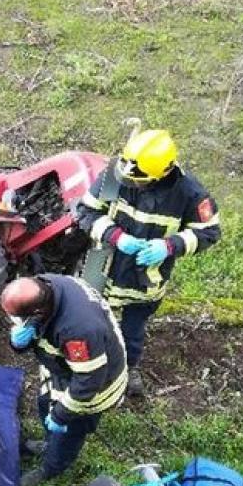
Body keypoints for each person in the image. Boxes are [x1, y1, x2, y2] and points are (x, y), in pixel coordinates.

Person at [76, 129, 221, 397]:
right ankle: (82, 366)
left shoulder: (190, 194)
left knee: (132, 330)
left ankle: (126, 370)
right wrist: (115, 236)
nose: (130, 183)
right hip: (101, 269)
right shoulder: (116, 174)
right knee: (88, 320)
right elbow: (85, 211)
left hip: (145, 280)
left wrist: (169, 246)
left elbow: (209, 232)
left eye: (139, 181)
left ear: (162, 173)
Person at [1, 274, 127, 486]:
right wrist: (20, 342)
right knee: (44, 405)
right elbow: (39, 335)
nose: (17, 323)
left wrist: (61, 415)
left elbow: (88, 381)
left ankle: (51, 468)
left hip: (94, 385)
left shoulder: (79, 330)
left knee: (69, 430)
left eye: (21, 318)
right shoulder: (45, 286)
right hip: (62, 368)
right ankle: (49, 444)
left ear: (38, 313)